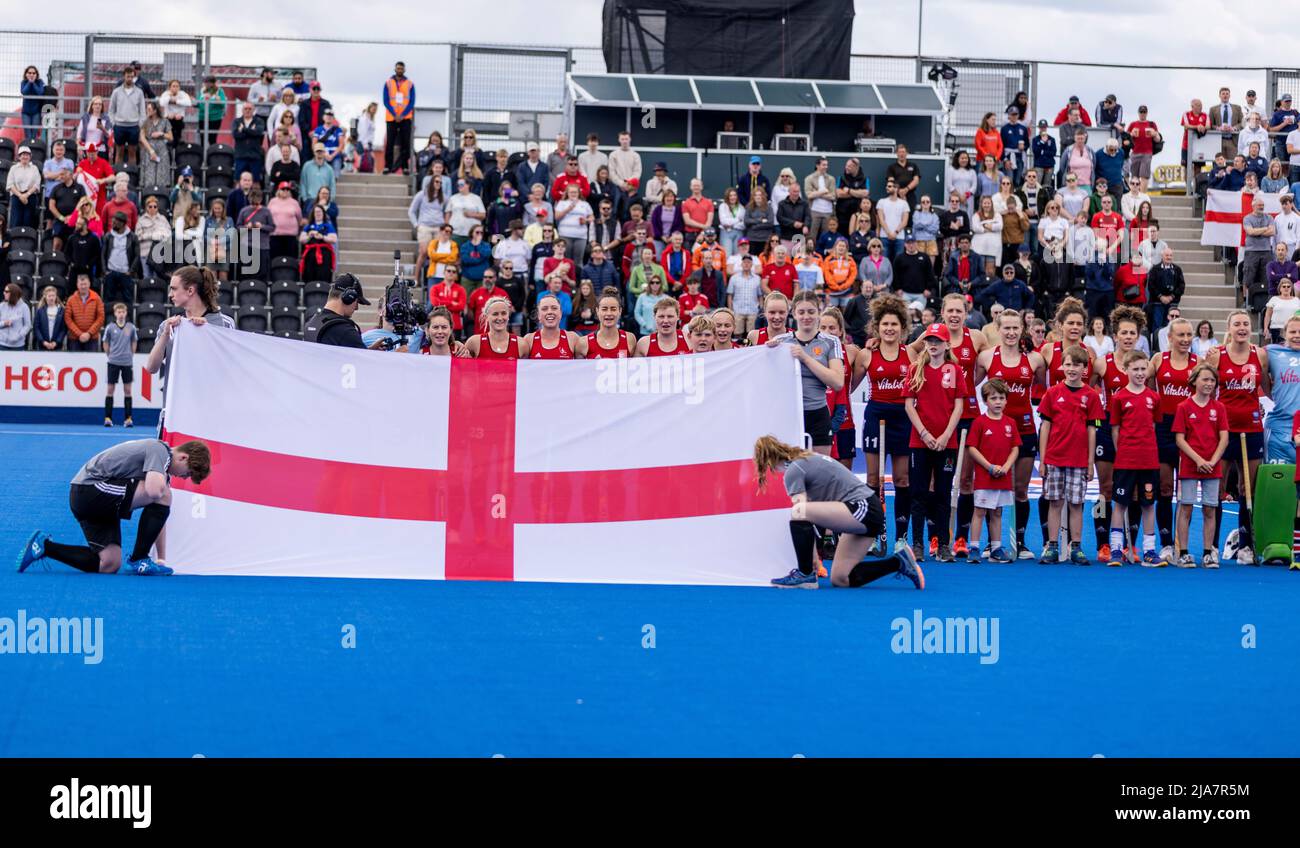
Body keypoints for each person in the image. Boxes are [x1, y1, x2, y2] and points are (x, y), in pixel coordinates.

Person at [17, 438, 211, 577]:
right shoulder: (160, 450)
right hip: (89, 490)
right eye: (186, 474)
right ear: (183, 458)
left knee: (109, 564)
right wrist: (143, 557)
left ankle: (43, 547)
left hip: (92, 498)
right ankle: (139, 559)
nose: (182, 478)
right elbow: (154, 493)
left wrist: (162, 559)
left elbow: (159, 511)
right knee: (163, 493)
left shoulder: (161, 472)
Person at [755, 435, 924, 590]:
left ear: (768, 462)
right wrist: (813, 556)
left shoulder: (794, 469)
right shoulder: (804, 459)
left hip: (862, 507)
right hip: (866, 510)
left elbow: (800, 511)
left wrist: (808, 565)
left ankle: (805, 575)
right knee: (841, 578)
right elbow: (808, 518)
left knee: (797, 510)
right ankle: (898, 562)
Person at [974, 310, 1046, 557]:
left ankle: (1021, 542)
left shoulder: (1034, 360)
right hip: (994, 432)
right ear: (998, 328)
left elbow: (1044, 386)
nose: (1012, 332)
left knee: (1021, 489)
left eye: (1016, 328)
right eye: (1006, 328)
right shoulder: (985, 357)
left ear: (1021, 329)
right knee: (993, 489)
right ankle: (992, 543)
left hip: (1024, 428)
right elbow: (970, 382)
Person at [852, 294, 913, 548]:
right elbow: (849, 386)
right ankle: (873, 534)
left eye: (894, 325)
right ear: (877, 328)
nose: (889, 329)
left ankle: (900, 536)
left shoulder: (911, 354)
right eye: (885, 325)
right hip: (876, 415)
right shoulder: (866, 355)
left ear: (902, 328)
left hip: (902, 417)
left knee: (901, 479)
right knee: (873, 480)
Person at [902, 321, 964, 561]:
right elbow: (909, 404)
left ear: (947, 344)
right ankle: (917, 543)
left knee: (943, 493)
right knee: (917, 493)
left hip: (946, 442)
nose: (933, 345)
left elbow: (959, 406)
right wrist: (925, 434)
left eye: (938, 341)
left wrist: (946, 435)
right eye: (930, 341)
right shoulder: (915, 369)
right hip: (920, 441)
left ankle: (943, 545)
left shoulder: (955, 370)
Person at [1036, 345, 1101, 564]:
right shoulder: (1052, 393)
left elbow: (1092, 430)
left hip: (1079, 459)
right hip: (1054, 457)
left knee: (1076, 504)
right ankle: (1052, 545)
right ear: (1062, 366)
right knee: (1055, 502)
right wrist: (1043, 458)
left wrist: (1090, 462)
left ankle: (1076, 546)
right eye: (1068, 364)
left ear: (1085, 369)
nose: (1071, 369)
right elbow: (1045, 427)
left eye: (1077, 365)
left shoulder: (1090, 396)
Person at [764, 291, 844, 457]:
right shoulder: (782, 341)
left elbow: (837, 382)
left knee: (820, 473)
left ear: (819, 312)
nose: (806, 316)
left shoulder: (830, 341)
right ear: (794, 314)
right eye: (801, 312)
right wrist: (764, 353)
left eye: (811, 311)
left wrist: (805, 357)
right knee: (788, 472)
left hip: (818, 414)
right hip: (789, 414)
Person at [1170, 364, 1229, 568]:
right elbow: (1180, 439)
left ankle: (1207, 552)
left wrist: (1212, 461)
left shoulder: (1219, 407)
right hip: (1189, 464)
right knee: (1186, 507)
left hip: (1212, 466)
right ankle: (1184, 552)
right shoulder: (1183, 407)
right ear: (1194, 381)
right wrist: (1198, 460)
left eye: (1212, 381)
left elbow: (1224, 438)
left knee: (1210, 509)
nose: (1209, 384)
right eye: (1205, 379)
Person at [1148, 318, 1197, 563]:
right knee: (1165, 488)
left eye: (1189, 335)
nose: (1186, 339)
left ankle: (1183, 545)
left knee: (1185, 492)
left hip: (1191, 428)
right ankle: (1167, 544)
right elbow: (1145, 388)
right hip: (1164, 428)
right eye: (1181, 335)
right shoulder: (1158, 360)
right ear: (1170, 337)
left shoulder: (1199, 363)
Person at [965, 379, 1019, 563]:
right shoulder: (979, 422)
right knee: (980, 511)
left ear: (1006, 401)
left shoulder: (1010, 423)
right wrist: (989, 466)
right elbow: (972, 448)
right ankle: (974, 547)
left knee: (997, 512)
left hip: (1003, 477)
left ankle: (996, 548)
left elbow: (1015, 448)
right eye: (993, 398)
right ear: (985, 401)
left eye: (1001, 398)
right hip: (984, 476)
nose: (997, 401)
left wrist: (1006, 467)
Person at [303, 274, 384, 349]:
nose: (356, 308)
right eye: (356, 302)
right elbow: (362, 362)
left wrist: (368, 350)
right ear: (348, 298)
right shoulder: (346, 331)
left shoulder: (311, 323)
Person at [101, 302, 138, 427]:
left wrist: (130, 355)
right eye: (118, 312)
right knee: (110, 389)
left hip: (127, 362)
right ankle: (108, 418)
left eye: (123, 312)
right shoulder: (110, 327)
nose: (121, 314)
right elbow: (105, 342)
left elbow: (134, 341)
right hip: (113, 362)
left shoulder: (131, 327)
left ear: (126, 313)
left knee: (127, 390)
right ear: (115, 313)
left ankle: (128, 419)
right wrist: (110, 354)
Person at [382, 61, 415, 175]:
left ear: (404, 70)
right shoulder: (388, 83)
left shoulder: (410, 84)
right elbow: (386, 101)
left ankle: (405, 166)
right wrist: (395, 114)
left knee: (405, 143)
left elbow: (411, 102)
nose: (399, 70)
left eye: (401, 68)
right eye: (398, 68)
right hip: (392, 118)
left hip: (405, 118)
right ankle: (387, 166)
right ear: (395, 69)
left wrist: (403, 115)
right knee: (390, 142)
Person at [1265, 277, 1300, 343]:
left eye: (1288, 286)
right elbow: (1268, 315)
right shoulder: (1274, 299)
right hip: (1276, 328)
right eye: (1284, 286)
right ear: (1280, 288)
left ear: (1291, 288)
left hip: (1293, 328)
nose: (1286, 288)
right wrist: (1266, 328)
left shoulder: (1297, 300)